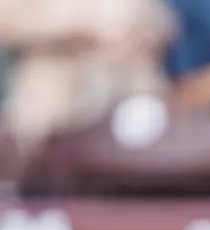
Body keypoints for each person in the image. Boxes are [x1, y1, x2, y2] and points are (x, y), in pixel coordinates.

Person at [0, 0, 174, 158]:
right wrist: (82, 33)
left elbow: (164, 24)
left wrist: (142, 37)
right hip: (55, 107)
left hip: (130, 103)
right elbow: (7, 23)